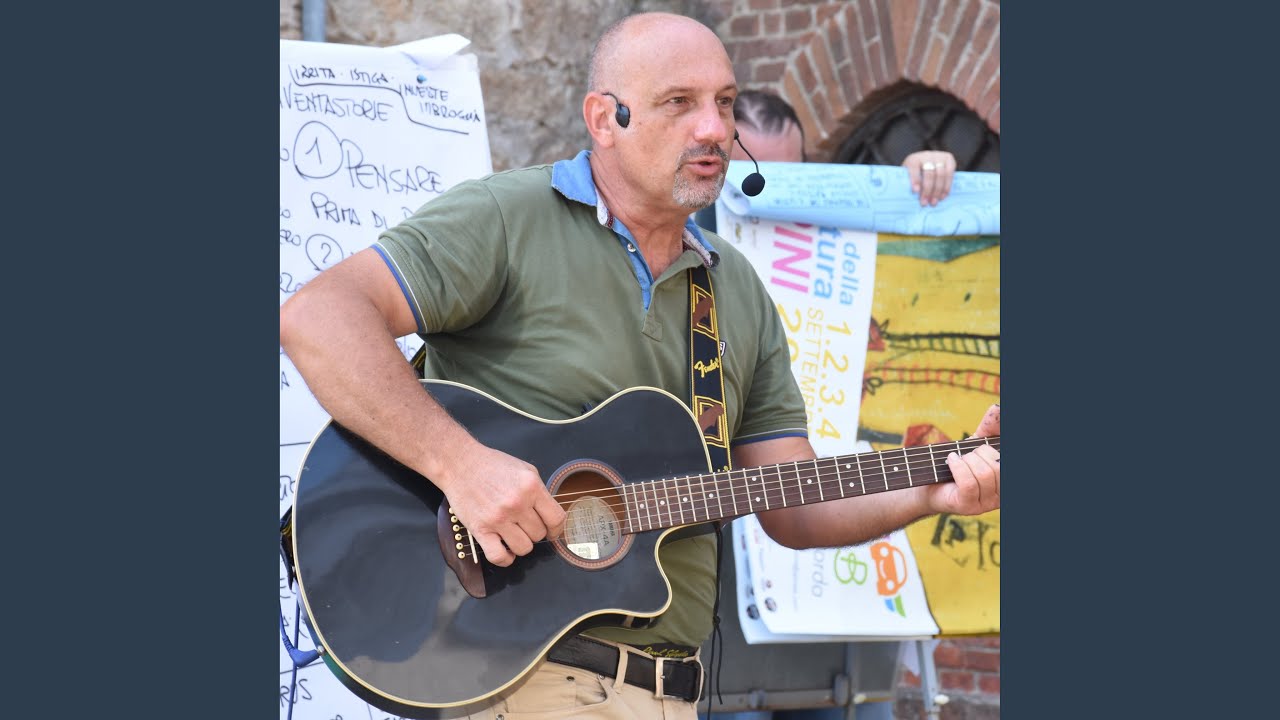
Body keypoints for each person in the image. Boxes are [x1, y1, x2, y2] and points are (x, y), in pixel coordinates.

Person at [279, 12, 1000, 720]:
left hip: (671, 693)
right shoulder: (508, 218)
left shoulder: (737, 292)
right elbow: (318, 316)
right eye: (679, 102)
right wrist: (462, 467)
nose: (714, 127)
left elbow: (793, 501)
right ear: (605, 119)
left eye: (724, 103)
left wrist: (933, 487)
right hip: (521, 679)